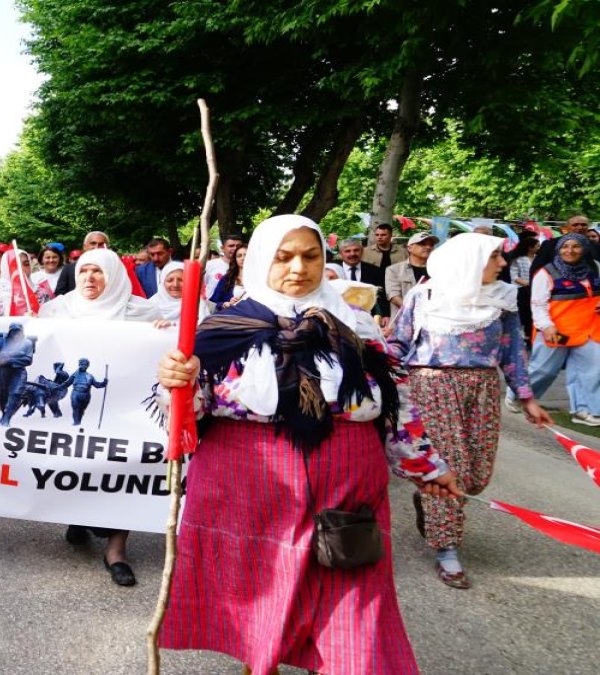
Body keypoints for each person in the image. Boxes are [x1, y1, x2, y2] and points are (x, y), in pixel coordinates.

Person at [155, 214, 460, 673]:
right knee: (257, 589)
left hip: (346, 483)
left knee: (348, 590)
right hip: (247, 482)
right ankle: (261, 664)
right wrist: (175, 383)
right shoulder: (221, 326)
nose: (298, 268)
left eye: (310, 256)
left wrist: (427, 467)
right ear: (259, 261)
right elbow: (190, 414)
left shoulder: (355, 323)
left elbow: (395, 404)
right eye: (284, 257)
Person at [390, 232, 551, 587]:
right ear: (469, 261)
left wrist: (527, 397)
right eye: (495, 257)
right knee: (453, 466)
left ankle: (429, 498)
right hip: (432, 385)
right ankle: (446, 548)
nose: (503, 264)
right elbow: (397, 343)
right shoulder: (425, 295)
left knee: (477, 473)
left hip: (483, 387)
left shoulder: (505, 299)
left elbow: (513, 353)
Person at [40, 248, 159, 587]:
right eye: (83, 272)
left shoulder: (142, 312)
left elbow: (165, 348)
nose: (89, 278)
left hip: (123, 412)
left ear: (114, 275)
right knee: (76, 463)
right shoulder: (57, 310)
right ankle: (78, 515)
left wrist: (164, 331)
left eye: (98, 272)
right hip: (77, 412)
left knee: (126, 470)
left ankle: (116, 550)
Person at [506, 233, 600, 426]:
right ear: (558, 250)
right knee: (543, 370)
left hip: (590, 329)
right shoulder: (546, 273)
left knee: (591, 371)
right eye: (565, 247)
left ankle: (584, 410)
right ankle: (517, 393)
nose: (570, 251)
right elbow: (538, 304)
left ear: (584, 248)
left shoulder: (596, 268)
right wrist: (546, 326)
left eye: (576, 246)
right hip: (557, 330)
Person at [384, 232, 438, 315]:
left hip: (433, 319)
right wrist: (413, 310)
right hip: (404, 321)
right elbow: (393, 296)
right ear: (409, 248)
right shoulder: (394, 270)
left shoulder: (439, 270)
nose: (428, 247)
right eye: (422, 244)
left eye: (431, 245)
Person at [530, 214, 599, 278]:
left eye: (583, 225)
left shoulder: (595, 245)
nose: (580, 227)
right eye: (575, 225)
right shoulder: (550, 245)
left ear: (588, 227)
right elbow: (536, 269)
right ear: (567, 227)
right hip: (557, 287)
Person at [506, 234, 540, 342]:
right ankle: (522, 335)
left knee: (533, 313)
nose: (539, 248)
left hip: (535, 290)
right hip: (522, 290)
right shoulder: (519, 259)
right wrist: (528, 284)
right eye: (537, 246)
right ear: (530, 247)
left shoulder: (538, 259)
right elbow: (514, 276)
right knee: (524, 313)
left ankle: (530, 335)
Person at [54, 231, 110, 296]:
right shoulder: (69, 269)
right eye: (93, 243)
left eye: (101, 244)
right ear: (84, 246)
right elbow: (59, 293)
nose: (97, 247)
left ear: (106, 247)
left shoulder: (114, 268)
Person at [208, 244, 247, 309]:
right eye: (239, 256)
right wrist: (225, 304)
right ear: (235, 259)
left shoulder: (260, 279)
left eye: (246, 255)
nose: (243, 258)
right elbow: (213, 302)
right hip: (230, 316)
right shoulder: (227, 279)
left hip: (252, 317)